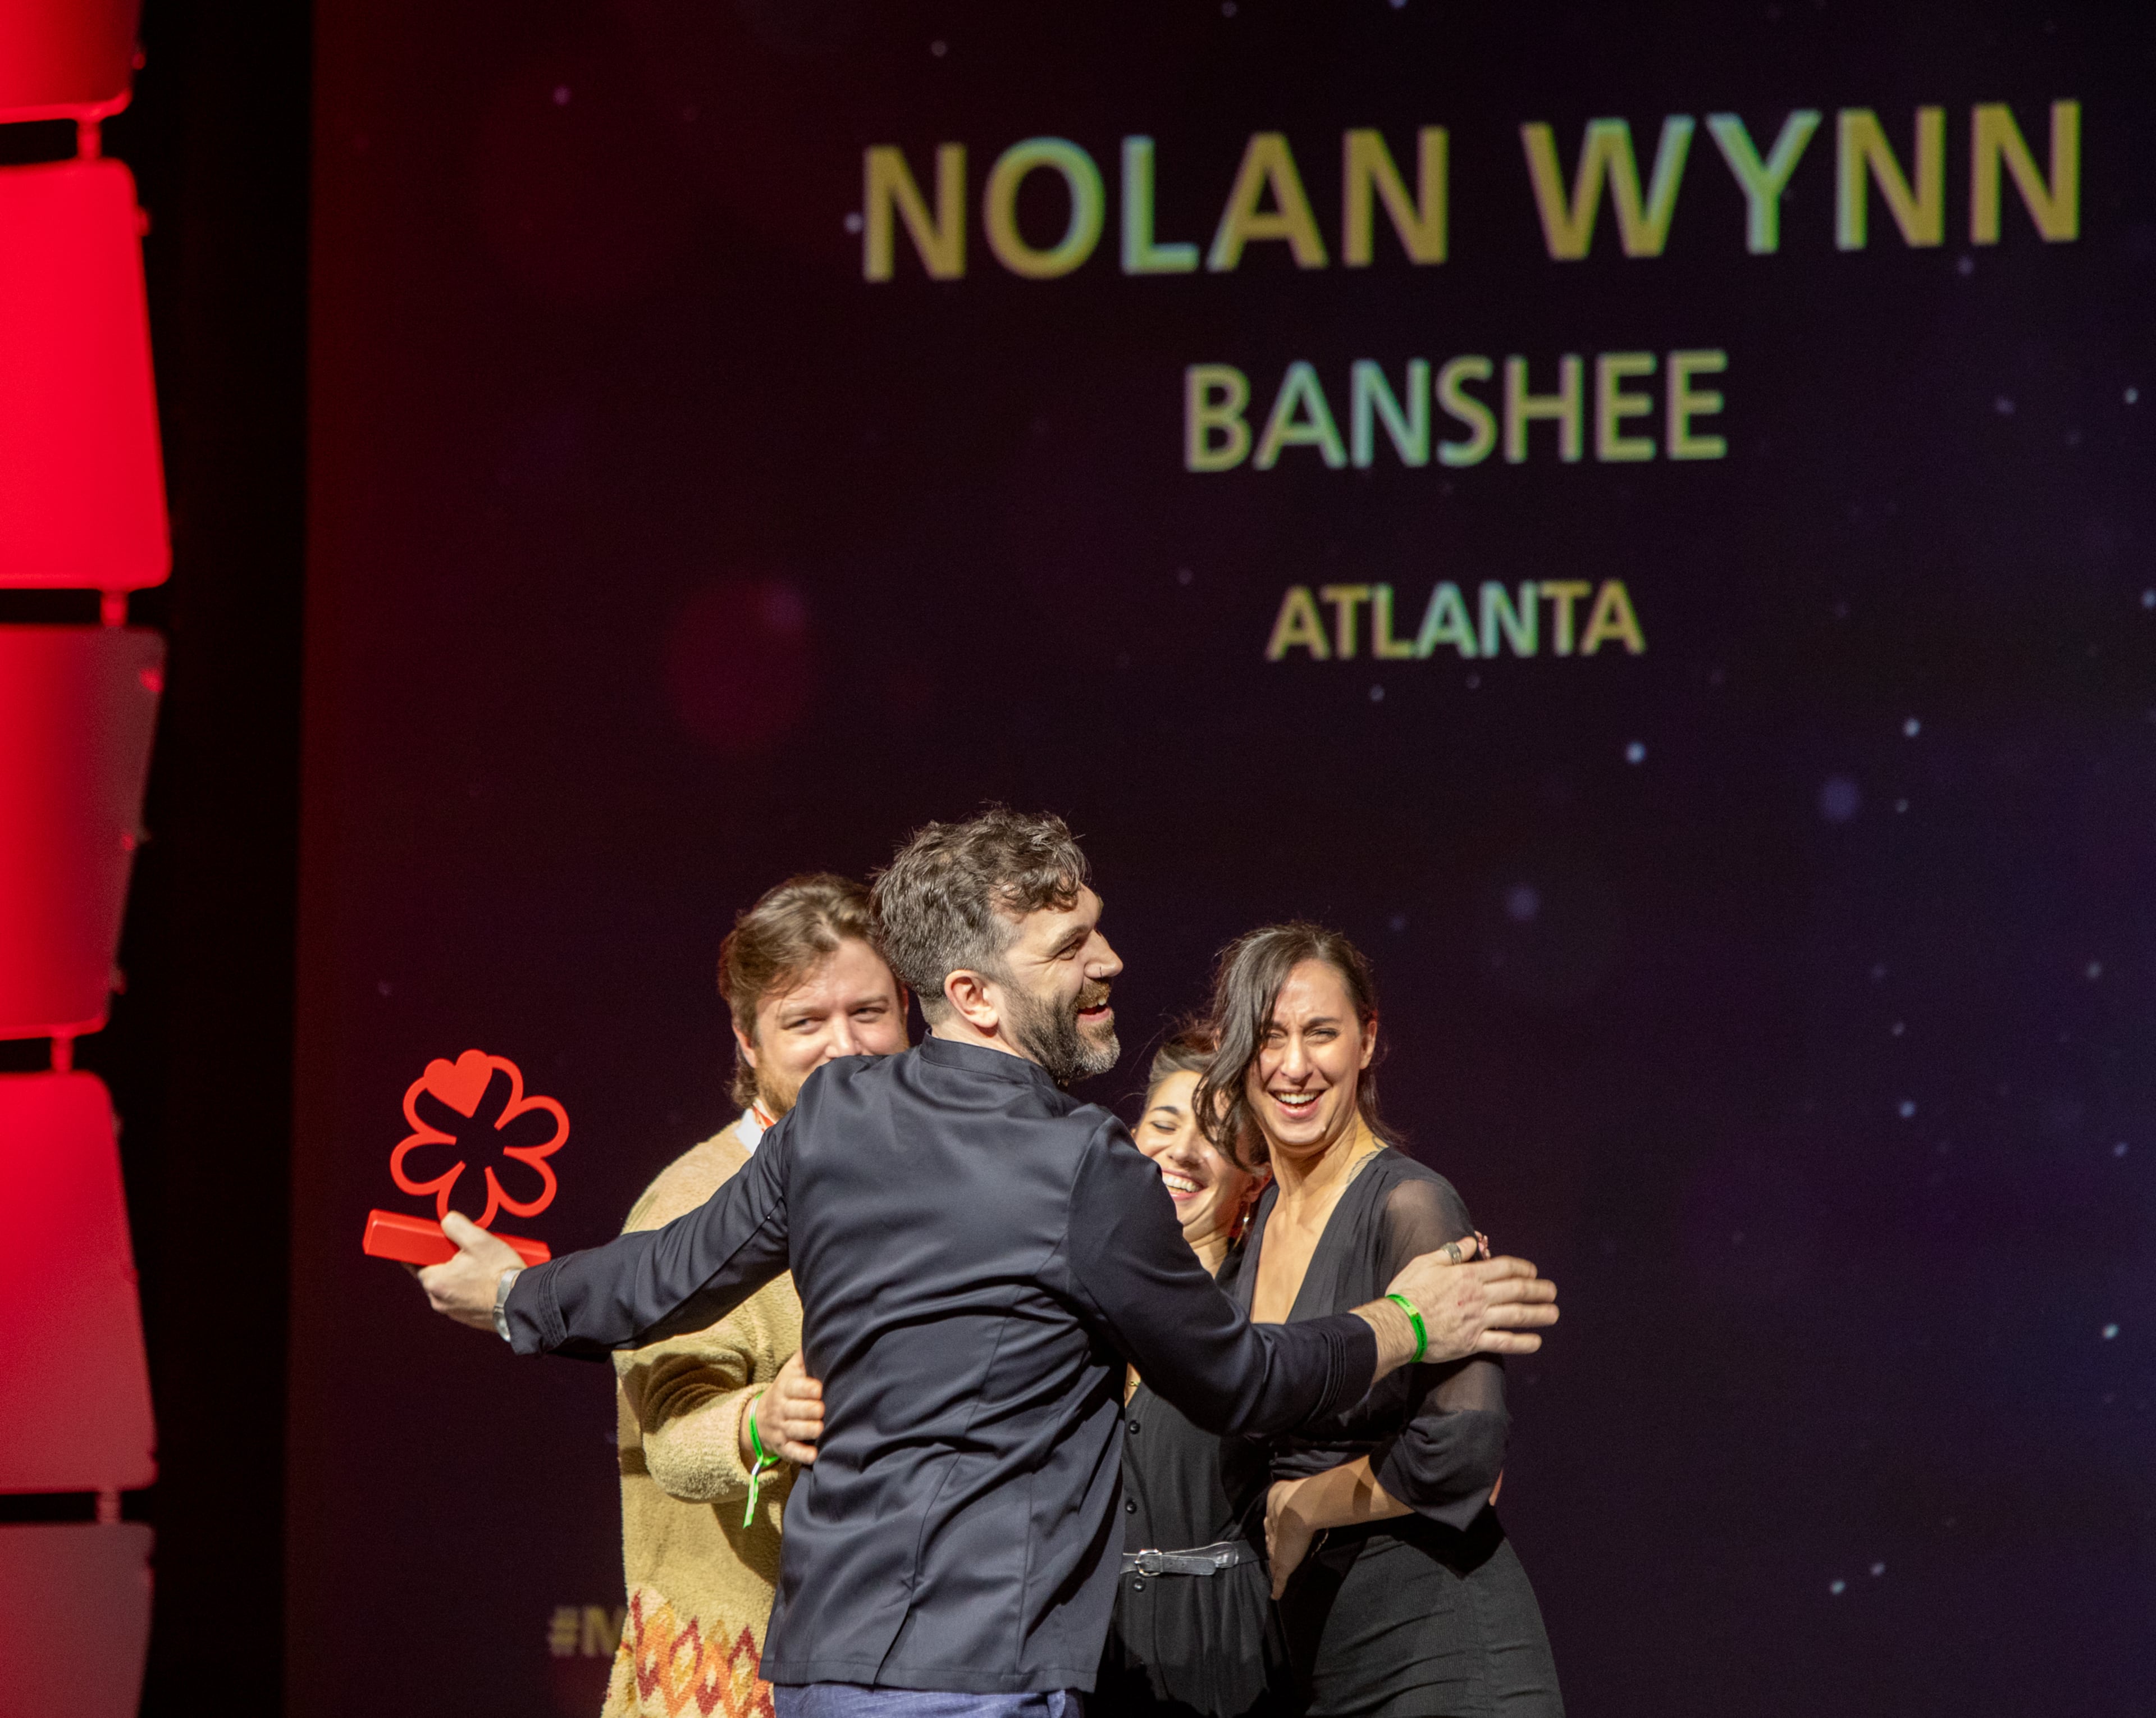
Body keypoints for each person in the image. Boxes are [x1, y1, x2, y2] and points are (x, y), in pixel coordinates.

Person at [413, 809, 1560, 1718]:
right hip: (984, 1676)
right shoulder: (1082, 1165)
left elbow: (661, 1275)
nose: (1108, 957)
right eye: (1070, 945)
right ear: (972, 994)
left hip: (821, 1669)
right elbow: (1235, 1378)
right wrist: (1406, 1322)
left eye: (1096, 925)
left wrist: (516, 1293)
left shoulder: (836, 1118)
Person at [1193, 923, 1563, 1718]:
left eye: (1321, 1032)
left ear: (1366, 1040)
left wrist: (1305, 1505)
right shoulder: (1258, 1229)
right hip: (1325, 1657)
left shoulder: (1411, 1204)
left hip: (1441, 1647)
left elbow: (1463, 1449)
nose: (1295, 1065)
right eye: (1270, 1036)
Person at [605, 874, 908, 1717]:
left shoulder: (941, 1181)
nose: (844, 1046)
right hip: (736, 1676)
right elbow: (670, 1430)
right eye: (805, 1022)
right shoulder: (692, 1205)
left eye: (869, 1012)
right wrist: (758, 1420)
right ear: (747, 1041)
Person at [1098, 1026, 1283, 1718]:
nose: (1179, 1150)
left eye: (1212, 1135)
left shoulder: (1266, 1313)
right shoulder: (1072, 1304)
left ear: (1253, 1176)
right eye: (1163, 1123)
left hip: (1229, 1662)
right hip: (1092, 1663)